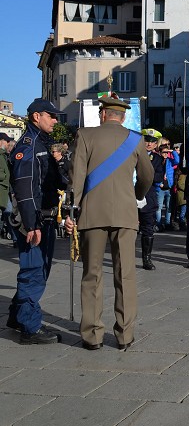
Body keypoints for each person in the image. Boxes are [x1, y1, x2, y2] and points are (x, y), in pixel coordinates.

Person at [65, 95, 153, 351]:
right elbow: (148, 176)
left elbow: (76, 178)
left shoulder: (85, 135)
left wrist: (72, 211)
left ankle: (92, 335)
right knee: (125, 274)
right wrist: (135, 195)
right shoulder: (136, 139)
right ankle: (125, 335)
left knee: (92, 274)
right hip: (126, 215)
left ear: (102, 114)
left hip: (92, 215)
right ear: (123, 117)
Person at [7, 99, 65, 344]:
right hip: (35, 220)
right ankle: (30, 328)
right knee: (34, 272)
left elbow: (51, 181)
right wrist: (32, 225)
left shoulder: (41, 143)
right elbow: (26, 189)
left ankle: (17, 317)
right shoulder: (29, 146)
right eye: (51, 116)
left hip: (44, 218)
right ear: (36, 117)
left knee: (38, 269)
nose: (55, 120)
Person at [138, 128, 164, 270]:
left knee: (148, 228)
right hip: (131, 195)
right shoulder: (133, 155)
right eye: (146, 140)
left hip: (148, 196)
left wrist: (146, 175)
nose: (149, 144)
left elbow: (159, 177)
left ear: (156, 145)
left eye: (152, 142)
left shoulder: (158, 159)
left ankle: (146, 258)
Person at [0, 133, 13, 225]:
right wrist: (4, 176)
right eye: (7, 141)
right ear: (1, 141)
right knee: (8, 211)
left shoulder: (4, 155)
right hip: (2, 188)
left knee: (9, 211)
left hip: (5, 189)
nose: (8, 143)